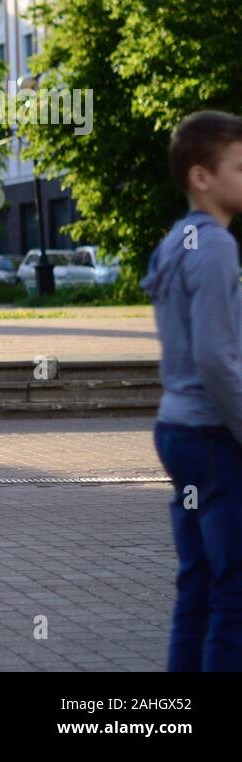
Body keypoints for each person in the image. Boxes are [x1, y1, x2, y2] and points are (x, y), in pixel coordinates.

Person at [140, 109, 242, 672]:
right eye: (240, 167)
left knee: (198, 584)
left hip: (176, 429)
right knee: (234, 592)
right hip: (211, 434)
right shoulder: (219, 246)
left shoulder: (177, 240)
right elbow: (215, 357)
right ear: (202, 176)